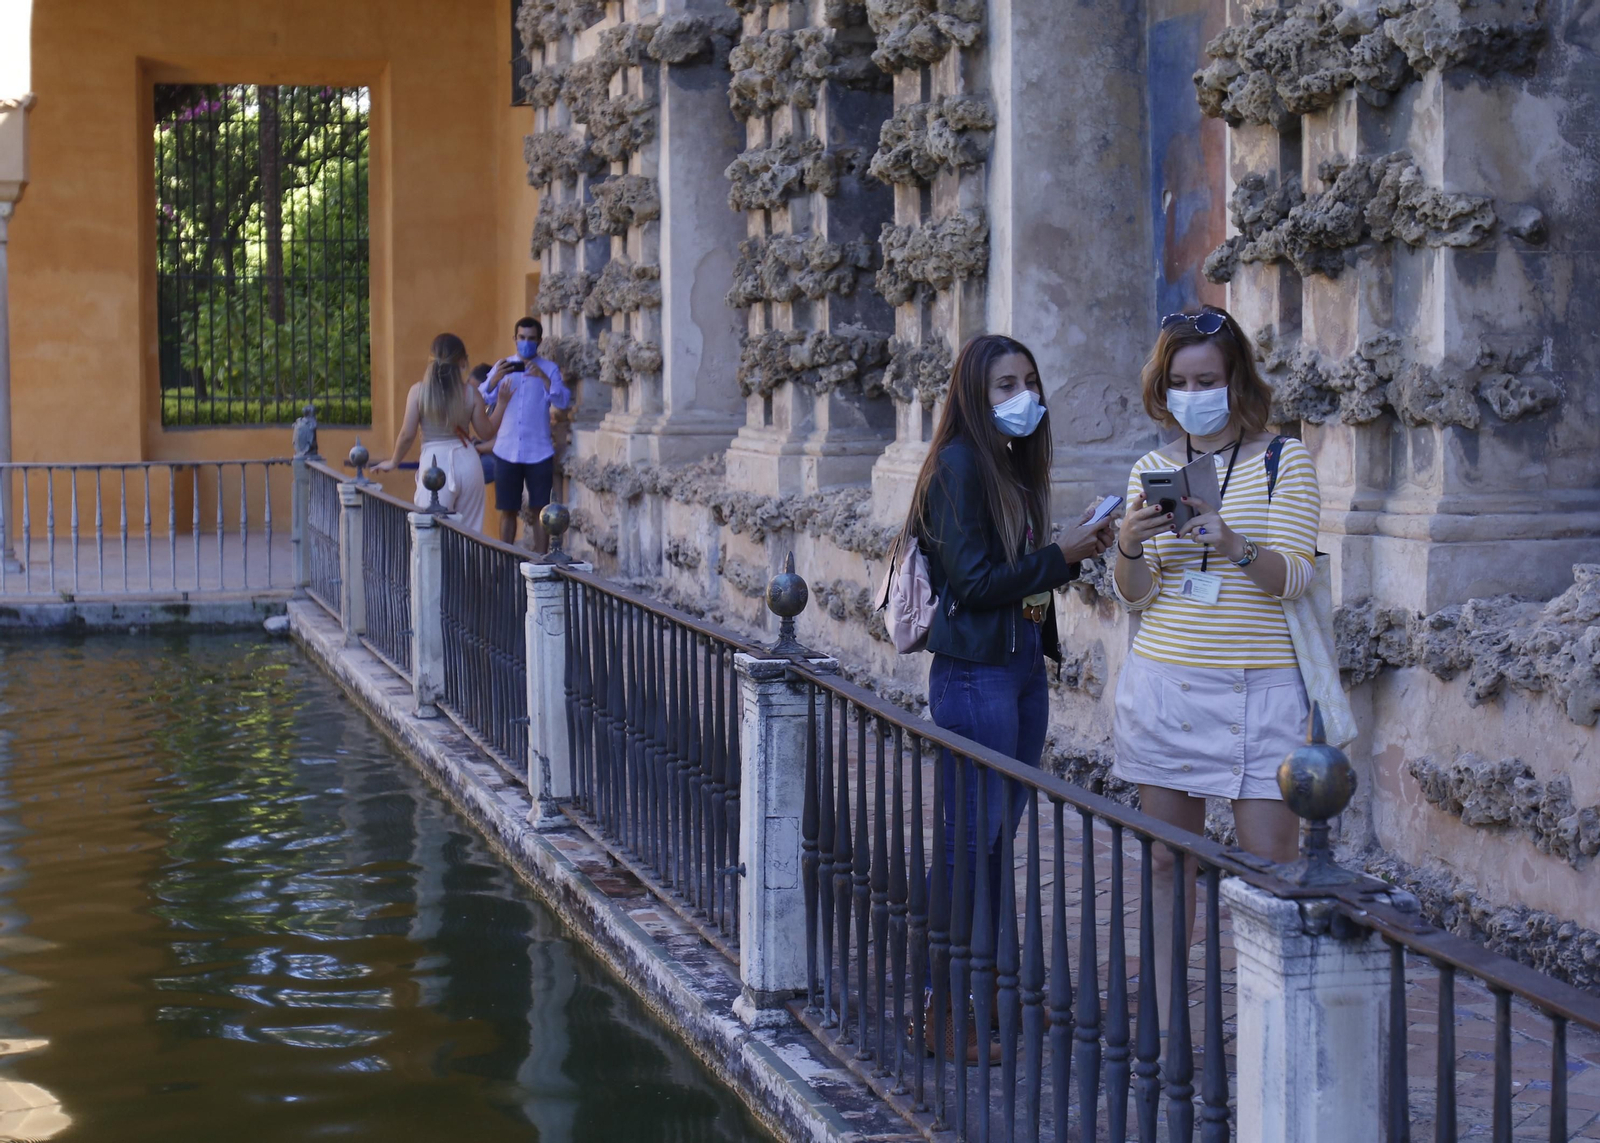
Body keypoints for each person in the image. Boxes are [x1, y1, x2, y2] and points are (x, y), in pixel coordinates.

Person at [905, 334, 1114, 1061]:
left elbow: (1006, 570)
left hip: (1019, 664)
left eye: (1029, 379)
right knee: (967, 850)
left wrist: (1065, 542)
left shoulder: (1010, 466)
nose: (1023, 395)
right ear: (972, 392)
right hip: (975, 674)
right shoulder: (960, 466)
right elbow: (971, 584)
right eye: (1004, 384)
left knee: (992, 844)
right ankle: (936, 1011)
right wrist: (1065, 555)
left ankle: (988, 996)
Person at [1110, 304, 1321, 1020]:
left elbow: (1294, 576)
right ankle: (1170, 1031)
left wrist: (1231, 543)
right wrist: (1131, 544)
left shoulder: (1281, 457)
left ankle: (1275, 1031)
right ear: (1161, 386)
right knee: (1169, 861)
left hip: (1263, 689)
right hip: (1167, 684)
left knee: (1270, 873)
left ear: (1236, 382)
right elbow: (1136, 594)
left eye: (1206, 378)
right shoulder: (1150, 466)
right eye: (1178, 380)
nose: (1191, 392)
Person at [372, 333, 518, 530]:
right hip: (467, 461)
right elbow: (486, 431)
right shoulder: (470, 393)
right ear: (463, 362)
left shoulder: (418, 391)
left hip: (434, 462)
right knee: (469, 534)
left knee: (429, 530)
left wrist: (394, 461)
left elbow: (407, 434)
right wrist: (501, 403)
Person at [481, 317, 570, 550]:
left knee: (541, 509)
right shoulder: (503, 366)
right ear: (515, 339)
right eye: (522, 338)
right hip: (506, 450)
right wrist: (494, 380)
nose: (526, 343)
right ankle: (505, 557)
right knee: (507, 508)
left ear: (539, 341)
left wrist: (542, 377)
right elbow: (481, 398)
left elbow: (562, 400)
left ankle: (541, 562)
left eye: (531, 339)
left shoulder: (549, 369)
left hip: (538, 451)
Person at [468, 363, 497, 487]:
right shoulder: (489, 407)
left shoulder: (499, 404)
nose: (471, 394)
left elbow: (502, 443)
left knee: (466, 472)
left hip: (501, 461)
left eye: (475, 389)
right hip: (490, 456)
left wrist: (477, 448)